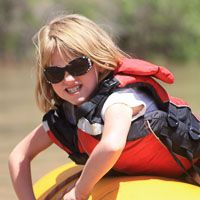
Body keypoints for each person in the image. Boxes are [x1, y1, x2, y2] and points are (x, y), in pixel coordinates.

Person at [8, 14, 200, 200]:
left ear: (99, 64)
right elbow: (18, 156)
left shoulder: (119, 101)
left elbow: (111, 145)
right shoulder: (67, 116)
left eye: (78, 67)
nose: (68, 79)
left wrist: (80, 192)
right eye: (55, 73)